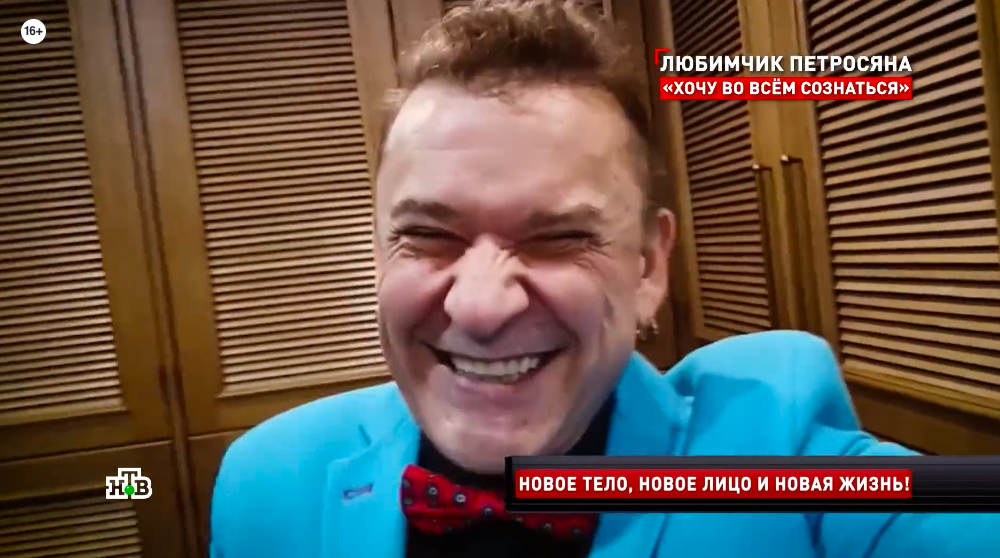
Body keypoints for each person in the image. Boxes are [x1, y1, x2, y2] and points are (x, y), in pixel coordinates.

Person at [208, 1, 999, 557]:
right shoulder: (267, 481)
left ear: (649, 266)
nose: (480, 308)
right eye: (427, 237)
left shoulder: (778, 453)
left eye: (559, 240)